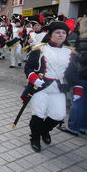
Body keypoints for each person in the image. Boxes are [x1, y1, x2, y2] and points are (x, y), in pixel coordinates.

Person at [24, 21, 83, 152]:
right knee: (38, 114)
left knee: (59, 115)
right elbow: (28, 68)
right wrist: (33, 77)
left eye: (64, 33)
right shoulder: (39, 49)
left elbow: (72, 72)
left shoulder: (70, 52)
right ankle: (35, 138)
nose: (61, 35)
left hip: (58, 88)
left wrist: (77, 86)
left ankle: (44, 131)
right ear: (50, 34)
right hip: (41, 87)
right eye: (57, 32)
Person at [58, 17, 87, 136]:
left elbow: (82, 59)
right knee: (85, 102)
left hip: (81, 75)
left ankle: (73, 126)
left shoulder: (83, 40)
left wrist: (74, 51)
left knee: (78, 101)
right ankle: (83, 126)